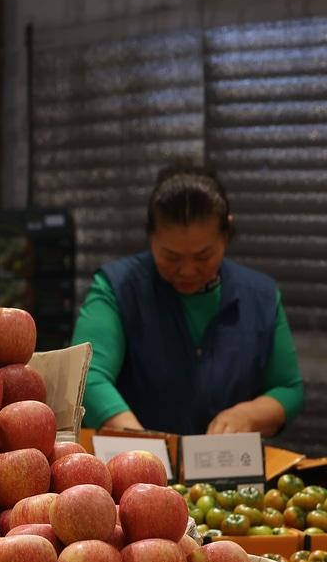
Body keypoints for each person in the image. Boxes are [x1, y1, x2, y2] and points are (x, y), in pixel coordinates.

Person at [72, 164, 304, 436]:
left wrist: (249, 415)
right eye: (171, 257)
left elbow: (289, 388)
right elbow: (86, 374)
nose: (187, 271)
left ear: (226, 233)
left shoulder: (260, 296)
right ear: (150, 237)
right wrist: (141, 445)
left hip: (226, 467)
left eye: (204, 256)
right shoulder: (118, 288)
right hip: (133, 470)